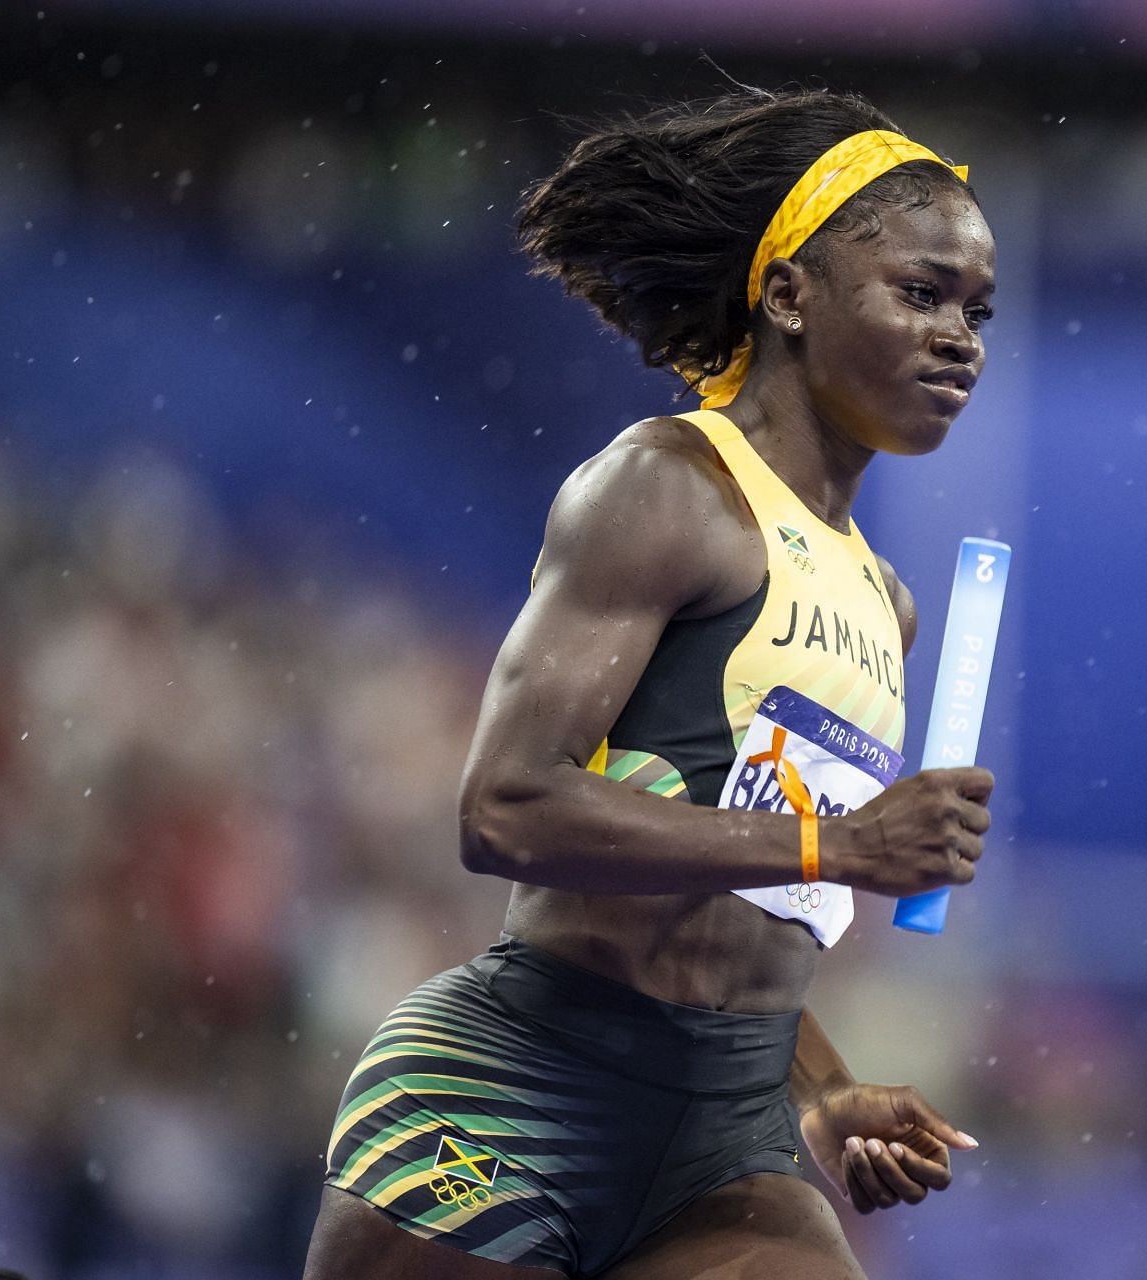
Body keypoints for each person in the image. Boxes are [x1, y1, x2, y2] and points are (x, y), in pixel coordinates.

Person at [302, 86, 998, 1279]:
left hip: (725, 1133)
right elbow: (505, 808)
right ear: (788, 295)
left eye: (979, 310)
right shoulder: (667, 487)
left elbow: (741, 915)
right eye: (921, 293)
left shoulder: (890, 604)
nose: (960, 338)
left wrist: (823, 1088)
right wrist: (840, 846)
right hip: (521, 1086)